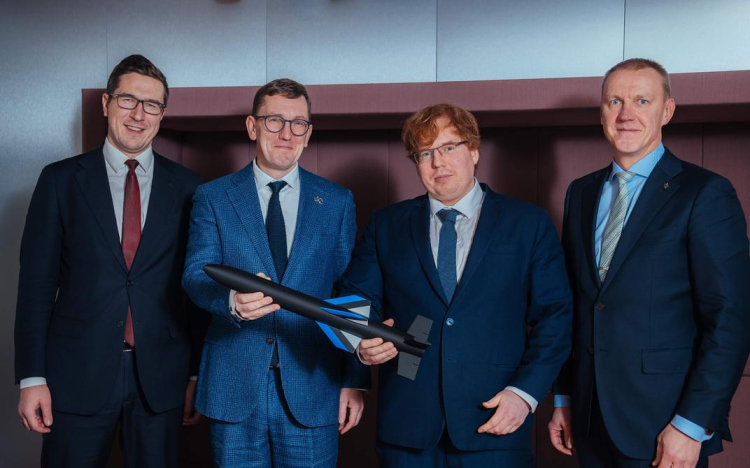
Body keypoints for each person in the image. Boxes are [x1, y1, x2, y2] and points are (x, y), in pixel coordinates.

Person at [337, 103, 573, 467]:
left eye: (449, 147)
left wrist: (524, 393)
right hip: (407, 428)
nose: (438, 162)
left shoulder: (528, 224)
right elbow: (353, 302)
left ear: (474, 151)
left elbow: (556, 317)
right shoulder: (386, 225)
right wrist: (361, 343)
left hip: (495, 421)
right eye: (425, 153)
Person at [548, 58, 750, 468]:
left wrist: (692, 425)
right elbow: (577, 306)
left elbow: (731, 318)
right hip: (588, 420)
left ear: (667, 111)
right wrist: (565, 398)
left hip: (666, 424)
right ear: (602, 112)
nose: (626, 114)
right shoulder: (580, 193)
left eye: (642, 101)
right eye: (615, 102)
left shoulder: (705, 193)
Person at [14, 54, 204, 468]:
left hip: (163, 377)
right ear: (106, 103)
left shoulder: (190, 188)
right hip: (75, 375)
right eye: (128, 100)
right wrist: (32, 377)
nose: (138, 114)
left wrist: (196, 374)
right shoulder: (60, 181)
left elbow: (197, 287)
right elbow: (36, 288)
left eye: (151, 104)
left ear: (162, 113)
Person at [182, 78, 369, 467]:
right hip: (233, 383)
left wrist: (354, 379)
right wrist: (231, 302)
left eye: (298, 123)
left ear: (308, 133)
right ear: (253, 127)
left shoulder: (337, 202)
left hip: (314, 384)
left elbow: (349, 292)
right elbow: (196, 275)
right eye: (274, 121)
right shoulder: (213, 197)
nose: (287, 133)